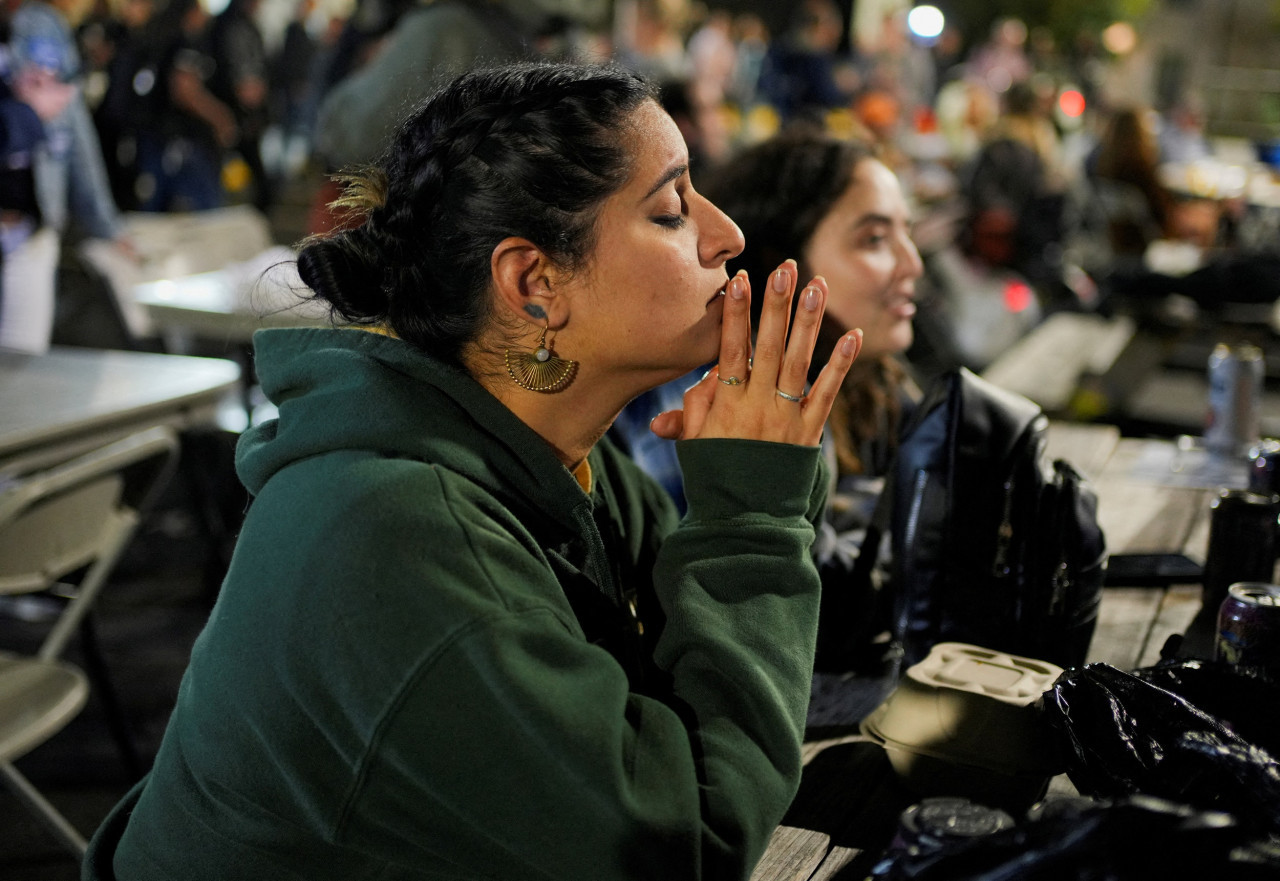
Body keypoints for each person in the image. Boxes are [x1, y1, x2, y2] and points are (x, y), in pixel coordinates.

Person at [83, 61, 864, 879]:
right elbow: (685, 848)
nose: (727, 233)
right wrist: (751, 516)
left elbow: (697, 692)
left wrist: (767, 472)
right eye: (670, 209)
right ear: (534, 283)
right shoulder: (395, 532)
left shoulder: (574, 469)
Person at [613, 125, 924, 673]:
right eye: (874, 240)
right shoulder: (720, 387)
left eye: (907, 232)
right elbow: (757, 603)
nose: (912, 264)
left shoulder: (867, 384)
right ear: (786, 260)